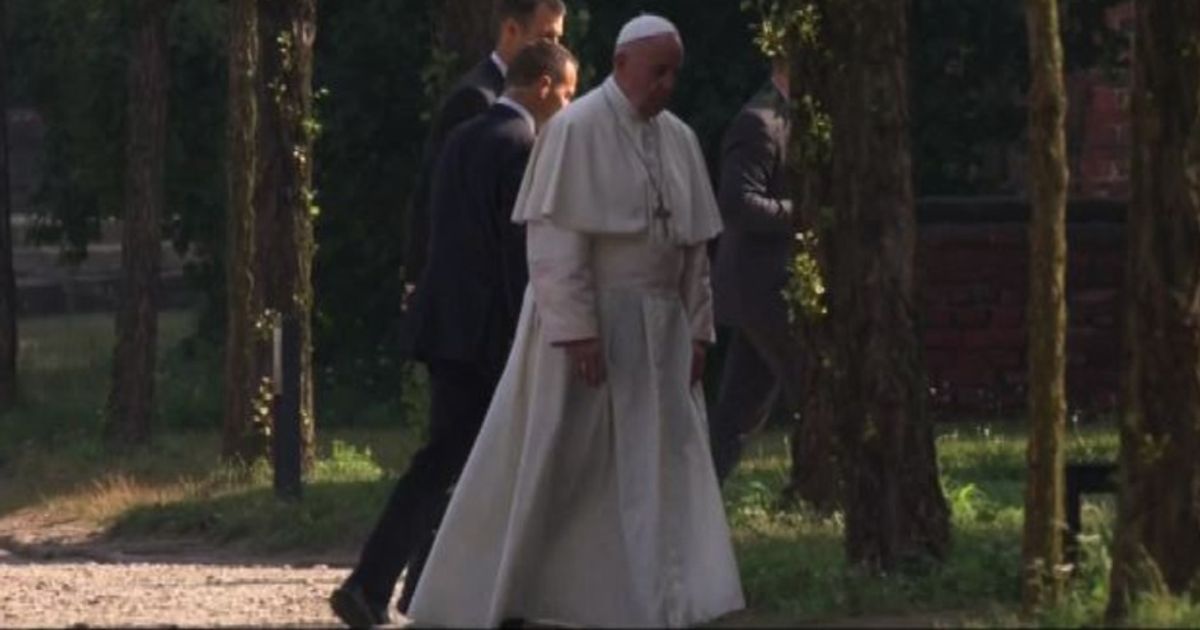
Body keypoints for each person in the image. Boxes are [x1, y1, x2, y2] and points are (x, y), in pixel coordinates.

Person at [407, 15, 745, 628]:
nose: (667, 85)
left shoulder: (680, 138)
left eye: (673, 73)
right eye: (656, 72)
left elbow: (694, 253)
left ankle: (663, 595)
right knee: (560, 461)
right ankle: (523, 593)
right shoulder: (576, 129)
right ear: (622, 66)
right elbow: (556, 242)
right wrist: (577, 329)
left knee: (657, 467)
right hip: (590, 328)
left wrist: (698, 329)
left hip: (659, 328)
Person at [329, 41, 579, 628]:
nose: (568, 106)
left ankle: (400, 585)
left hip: (447, 327)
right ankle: (414, 587)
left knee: (445, 460)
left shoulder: (466, 135)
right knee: (481, 461)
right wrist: (535, 328)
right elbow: (515, 252)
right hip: (486, 335)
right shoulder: (522, 146)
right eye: (567, 93)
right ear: (543, 85)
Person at [402, 0, 567, 304]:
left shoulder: (535, 100)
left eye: (559, 39)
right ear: (511, 29)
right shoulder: (477, 99)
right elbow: (438, 192)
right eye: (546, 38)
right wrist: (418, 279)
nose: (555, 50)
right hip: (473, 293)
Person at [709, 54, 802, 483]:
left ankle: (701, 491)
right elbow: (738, 203)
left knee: (739, 410)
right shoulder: (759, 122)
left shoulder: (792, 116)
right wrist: (806, 214)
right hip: (760, 287)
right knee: (813, 381)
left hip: (766, 287)